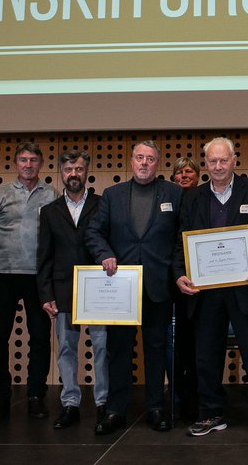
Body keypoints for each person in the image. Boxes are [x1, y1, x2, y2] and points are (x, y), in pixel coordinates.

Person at [174, 137, 248, 438]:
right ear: (205, 164)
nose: (218, 166)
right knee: (206, 356)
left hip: (247, 288)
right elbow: (180, 241)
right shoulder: (192, 197)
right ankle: (210, 413)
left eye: (224, 160)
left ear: (234, 160)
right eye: (212, 161)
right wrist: (180, 274)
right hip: (205, 291)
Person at [84, 141, 184, 433]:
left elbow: (182, 236)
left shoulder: (173, 194)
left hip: (158, 285)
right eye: (139, 157)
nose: (144, 163)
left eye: (150, 159)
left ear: (158, 164)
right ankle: (115, 410)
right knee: (119, 350)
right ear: (131, 161)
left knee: (155, 348)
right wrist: (104, 254)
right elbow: (94, 231)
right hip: (120, 288)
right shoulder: (112, 195)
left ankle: (155, 407)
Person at [35, 150, 109, 432]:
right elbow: (44, 257)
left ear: (86, 170)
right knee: (66, 348)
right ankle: (70, 404)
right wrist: (45, 295)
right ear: (61, 173)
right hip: (63, 289)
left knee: (102, 347)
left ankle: (103, 402)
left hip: (98, 288)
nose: (73, 174)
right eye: (68, 170)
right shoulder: (50, 211)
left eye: (78, 168)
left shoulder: (103, 205)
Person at [0, 142, 58, 421]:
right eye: (23, 160)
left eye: (33, 160)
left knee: (39, 338)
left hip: (38, 276)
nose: (28, 165)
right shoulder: (1, 194)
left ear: (41, 164)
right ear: (16, 163)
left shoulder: (51, 194)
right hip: (3, 275)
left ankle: (36, 396)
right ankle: (0, 399)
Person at [169, 155, 201, 420]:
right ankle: (179, 393)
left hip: (201, 280)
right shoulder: (166, 201)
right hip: (172, 279)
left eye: (189, 171)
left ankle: (197, 393)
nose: (184, 176)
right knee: (176, 344)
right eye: (179, 173)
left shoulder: (203, 198)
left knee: (194, 340)